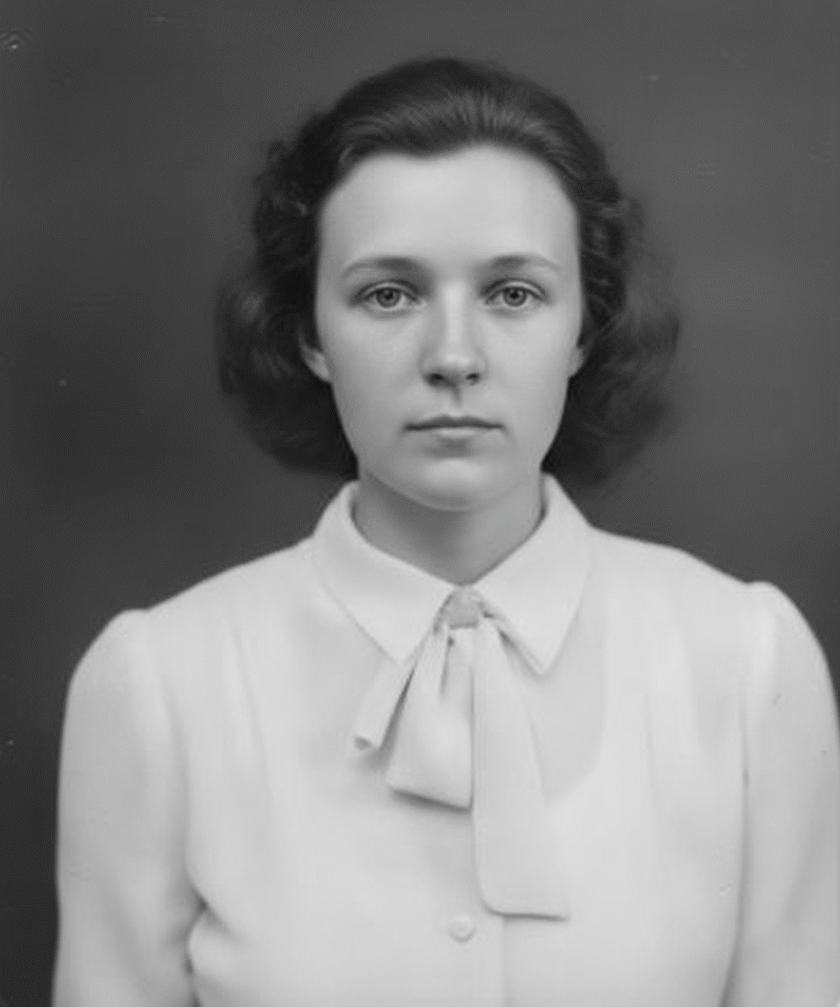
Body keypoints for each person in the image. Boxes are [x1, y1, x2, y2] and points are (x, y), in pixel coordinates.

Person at [53, 57, 840, 1007]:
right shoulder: (158, 685)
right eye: (389, 294)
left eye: (513, 294)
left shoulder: (749, 664)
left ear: (585, 329)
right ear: (309, 334)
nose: (454, 357)